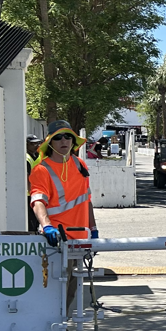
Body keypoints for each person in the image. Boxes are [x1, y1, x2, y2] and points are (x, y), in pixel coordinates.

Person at [29, 120, 98, 313]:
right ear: (50, 142)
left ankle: (62, 325)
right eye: (58, 137)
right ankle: (53, 326)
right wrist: (47, 226)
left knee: (71, 291)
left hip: (80, 239)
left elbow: (86, 200)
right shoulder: (42, 169)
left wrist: (93, 228)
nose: (64, 141)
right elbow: (38, 201)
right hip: (57, 241)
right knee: (55, 291)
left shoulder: (79, 164)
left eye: (68, 136)